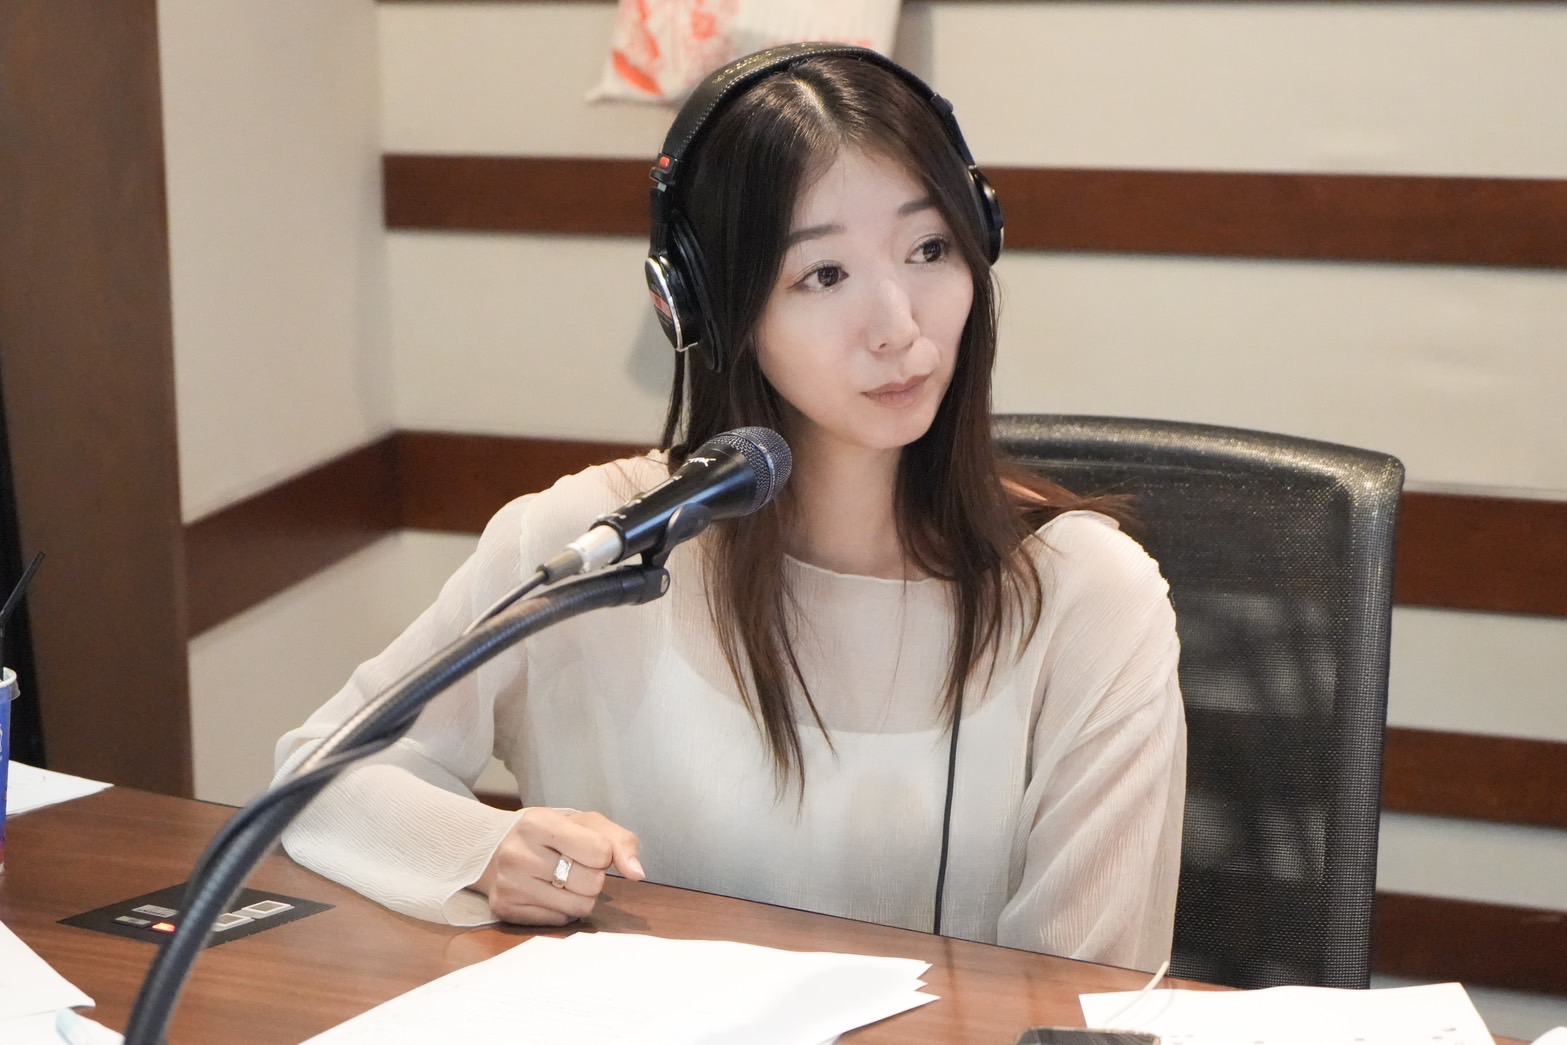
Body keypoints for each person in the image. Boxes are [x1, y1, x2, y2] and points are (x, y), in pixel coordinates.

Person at [274, 42, 1186, 973]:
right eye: (823, 274)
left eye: (928, 249)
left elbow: (1084, 1001)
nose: (898, 325)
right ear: (708, 308)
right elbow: (316, 773)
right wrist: (480, 849)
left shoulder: (1086, 597)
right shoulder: (597, 544)